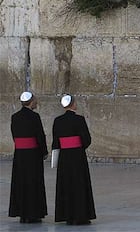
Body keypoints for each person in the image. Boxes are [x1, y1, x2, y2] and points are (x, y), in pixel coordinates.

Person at [52, 95, 96, 225]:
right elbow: (86, 139)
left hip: (64, 157)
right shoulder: (79, 119)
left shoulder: (57, 120)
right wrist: (79, 147)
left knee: (66, 184)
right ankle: (80, 216)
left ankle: (67, 216)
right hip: (77, 156)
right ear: (72, 104)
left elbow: (55, 142)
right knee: (79, 184)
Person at [9, 92, 48, 223]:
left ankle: (22, 213)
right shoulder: (35, 117)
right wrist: (44, 151)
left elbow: (14, 135)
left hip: (20, 155)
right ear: (31, 102)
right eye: (35, 100)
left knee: (21, 182)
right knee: (33, 183)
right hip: (33, 154)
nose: (36, 102)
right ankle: (33, 213)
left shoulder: (14, 117)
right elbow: (40, 136)